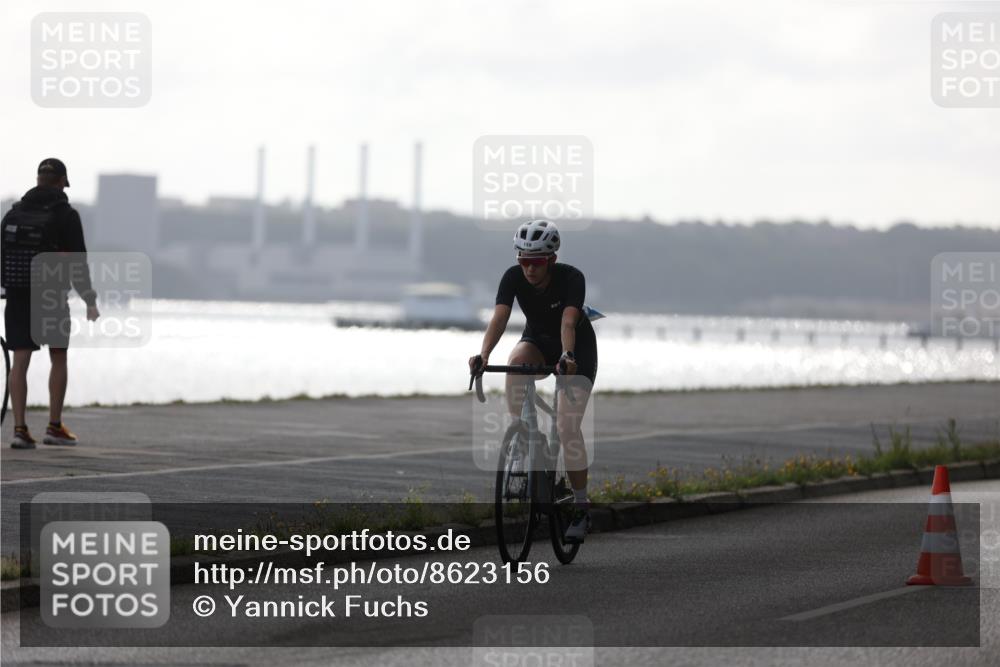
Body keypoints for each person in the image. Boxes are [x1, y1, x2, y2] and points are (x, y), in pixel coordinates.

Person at [469, 219, 597, 543]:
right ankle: (525, 440)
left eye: (536, 262)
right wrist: (483, 356)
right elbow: (500, 317)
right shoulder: (513, 277)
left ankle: (581, 507)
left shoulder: (571, 278)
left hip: (575, 349)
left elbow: (569, 322)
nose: (528, 269)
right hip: (537, 341)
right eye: (523, 261)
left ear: (551, 260)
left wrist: (567, 356)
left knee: (568, 428)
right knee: (515, 364)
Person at [1, 158, 99, 449]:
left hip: (17, 292)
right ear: (61, 182)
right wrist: (89, 300)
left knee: (20, 360)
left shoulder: (12, 214)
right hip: (51, 294)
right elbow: (77, 262)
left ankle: (20, 430)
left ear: (38, 180)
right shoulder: (66, 215)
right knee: (58, 355)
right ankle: (54, 427)